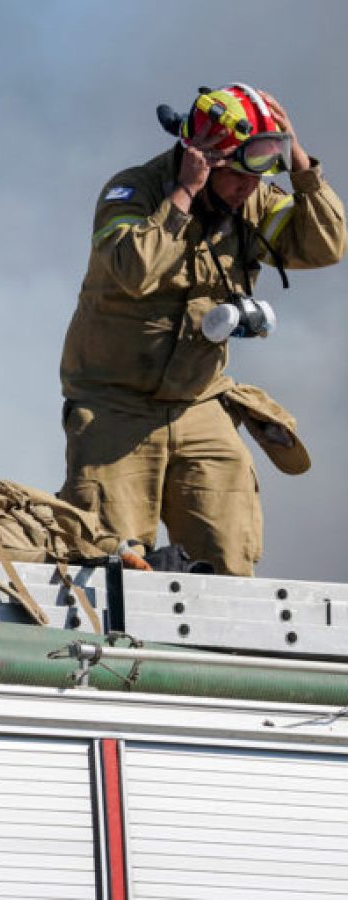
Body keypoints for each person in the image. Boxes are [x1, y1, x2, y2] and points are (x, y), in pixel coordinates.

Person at [58, 83, 345, 576]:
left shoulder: (249, 201)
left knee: (230, 553)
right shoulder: (132, 192)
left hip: (199, 402)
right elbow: (133, 269)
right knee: (115, 564)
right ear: (202, 160)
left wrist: (300, 162)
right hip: (116, 407)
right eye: (237, 175)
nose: (248, 188)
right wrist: (184, 195)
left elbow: (324, 245)